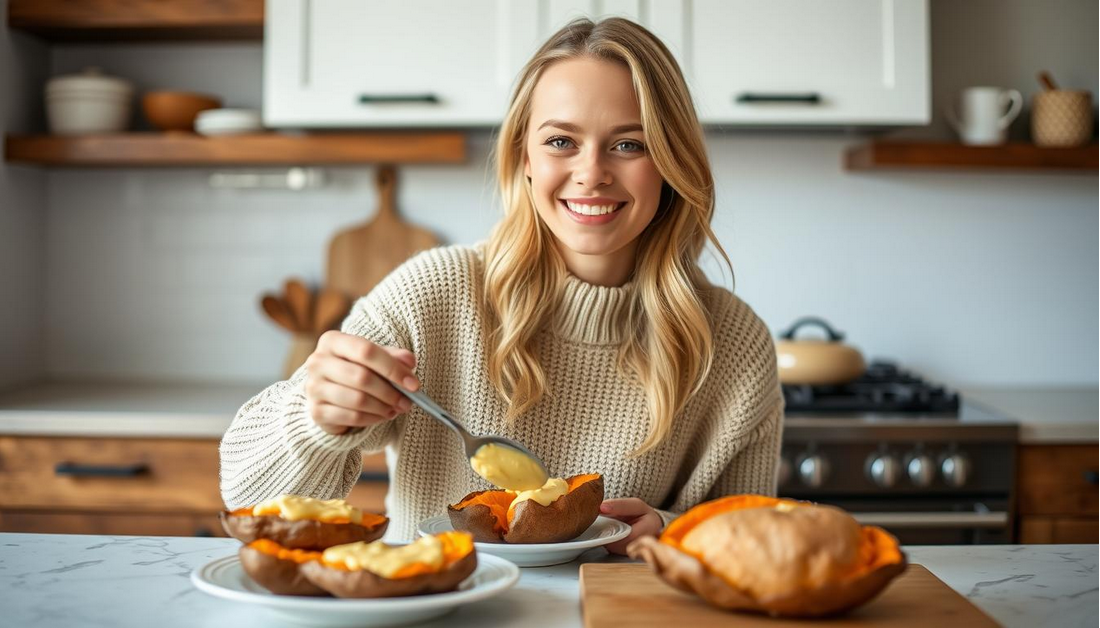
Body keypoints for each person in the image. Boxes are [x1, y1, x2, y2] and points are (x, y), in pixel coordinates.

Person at [220, 17, 783, 553]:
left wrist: (674, 532)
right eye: (561, 141)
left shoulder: (734, 343)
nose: (591, 173)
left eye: (629, 144)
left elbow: (756, 550)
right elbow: (249, 502)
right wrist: (314, 415)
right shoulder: (433, 295)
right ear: (525, 156)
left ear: (670, 160)